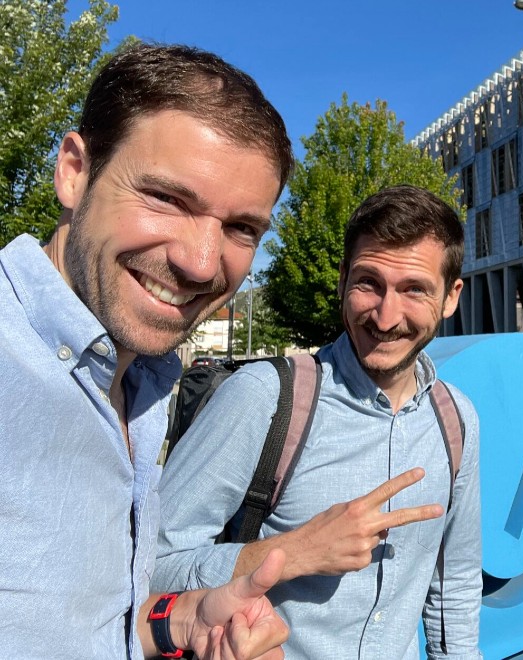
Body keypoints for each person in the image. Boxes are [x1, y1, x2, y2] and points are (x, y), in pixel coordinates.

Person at [0, 44, 296, 659]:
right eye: (166, 198)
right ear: (74, 171)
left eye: (241, 228)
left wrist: (178, 623)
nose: (201, 262)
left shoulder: (144, 380)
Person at [154, 185, 483, 659]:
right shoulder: (265, 399)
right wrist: (295, 552)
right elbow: (153, 564)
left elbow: (454, 584)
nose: (386, 318)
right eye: (369, 283)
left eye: (414, 289)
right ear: (343, 279)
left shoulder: (457, 421)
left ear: (451, 297)